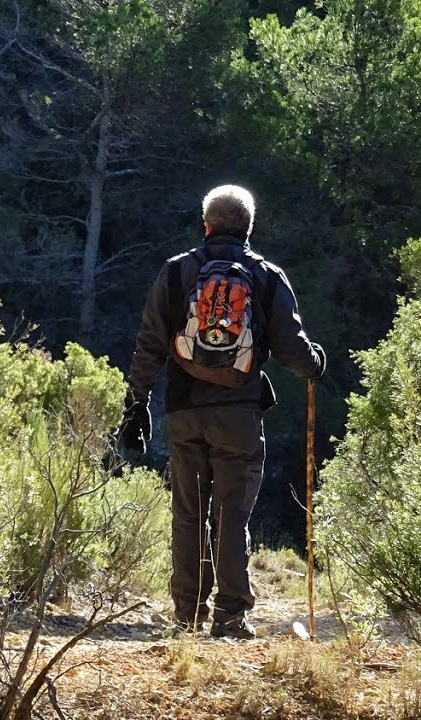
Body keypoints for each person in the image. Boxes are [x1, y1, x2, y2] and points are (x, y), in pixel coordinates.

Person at [122, 184, 324, 640]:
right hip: (239, 414)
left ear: (206, 224)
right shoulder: (267, 275)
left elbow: (150, 344)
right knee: (232, 515)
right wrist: (317, 363)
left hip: (185, 411)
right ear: (249, 228)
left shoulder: (176, 273)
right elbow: (294, 354)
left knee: (188, 513)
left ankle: (187, 615)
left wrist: (136, 404)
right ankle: (231, 616)